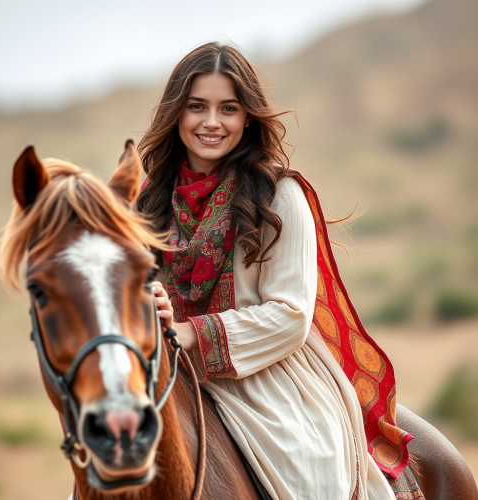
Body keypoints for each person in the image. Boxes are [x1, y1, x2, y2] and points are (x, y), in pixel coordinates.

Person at [137, 42, 418, 500]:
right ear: (176, 114)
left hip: (266, 381)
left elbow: (289, 316)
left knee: (313, 480)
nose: (211, 122)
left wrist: (188, 334)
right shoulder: (146, 200)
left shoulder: (278, 195)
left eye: (228, 108)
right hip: (166, 375)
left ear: (247, 117)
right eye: (197, 107)